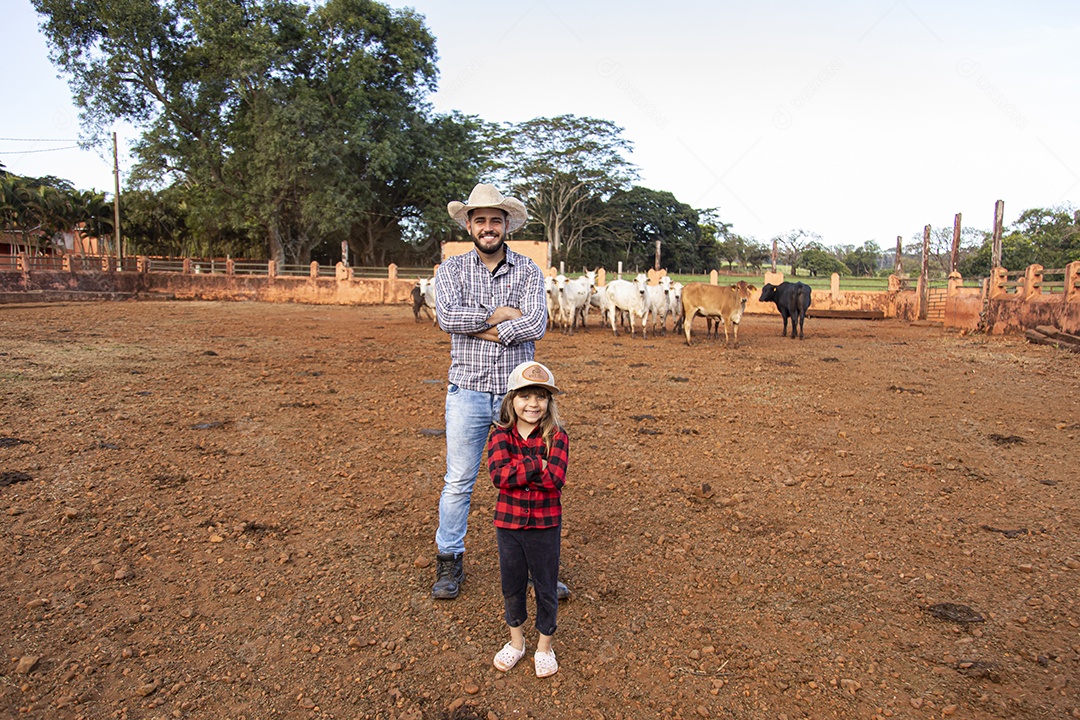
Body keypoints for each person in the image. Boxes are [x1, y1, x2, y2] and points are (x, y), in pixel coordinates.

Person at [431, 183, 569, 601]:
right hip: (468, 389)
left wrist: (479, 326)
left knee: (530, 479)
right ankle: (449, 560)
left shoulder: (527, 270)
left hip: (519, 398)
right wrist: (501, 319)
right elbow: (445, 318)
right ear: (468, 226)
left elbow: (535, 325)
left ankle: (532, 565)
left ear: (506, 225)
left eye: (495, 220)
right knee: (459, 480)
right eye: (480, 220)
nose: (488, 227)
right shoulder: (452, 270)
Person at [488, 361, 567, 677]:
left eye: (541, 397)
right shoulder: (499, 435)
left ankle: (544, 646)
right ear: (511, 399)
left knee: (546, 585)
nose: (533, 404)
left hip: (545, 525)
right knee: (512, 583)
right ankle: (517, 642)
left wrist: (519, 472)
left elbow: (555, 481)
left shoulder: (558, 436)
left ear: (549, 401)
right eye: (525, 396)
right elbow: (498, 477)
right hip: (508, 526)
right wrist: (538, 463)